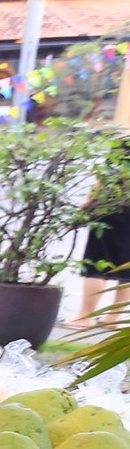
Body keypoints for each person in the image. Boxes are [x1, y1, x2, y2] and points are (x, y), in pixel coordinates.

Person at [78, 136, 130, 325]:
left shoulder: (124, 144)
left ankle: (85, 317)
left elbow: (103, 181)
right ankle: (113, 318)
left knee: (96, 265)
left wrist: (85, 207)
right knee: (126, 268)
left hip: (111, 210)